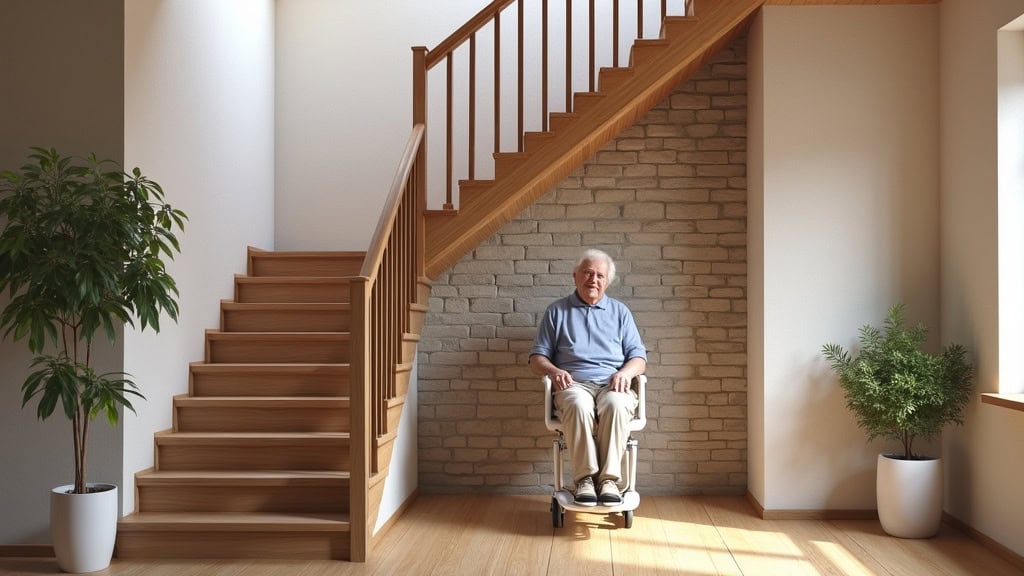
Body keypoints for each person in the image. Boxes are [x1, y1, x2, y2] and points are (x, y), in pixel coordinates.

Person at [529, 249, 647, 505]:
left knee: (617, 403)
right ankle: (584, 479)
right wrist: (555, 371)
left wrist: (625, 373)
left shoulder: (620, 312)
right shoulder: (556, 312)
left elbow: (639, 358)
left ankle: (608, 481)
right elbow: (537, 359)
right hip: (574, 384)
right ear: (575, 276)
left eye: (600, 275)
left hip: (612, 384)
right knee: (577, 403)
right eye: (587, 273)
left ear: (607, 281)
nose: (593, 279)